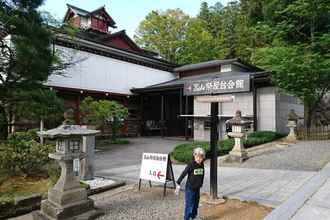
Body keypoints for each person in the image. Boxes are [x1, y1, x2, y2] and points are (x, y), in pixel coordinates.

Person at [175, 147, 205, 220]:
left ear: (203, 157)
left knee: (196, 204)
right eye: (197, 157)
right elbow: (184, 173)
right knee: (189, 205)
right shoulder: (191, 164)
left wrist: (201, 183)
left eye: (200, 157)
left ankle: (193, 217)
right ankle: (186, 218)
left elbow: (202, 174)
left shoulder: (202, 165)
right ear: (194, 156)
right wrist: (178, 182)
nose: (198, 159)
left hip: (197, 188)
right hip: (190, 188)